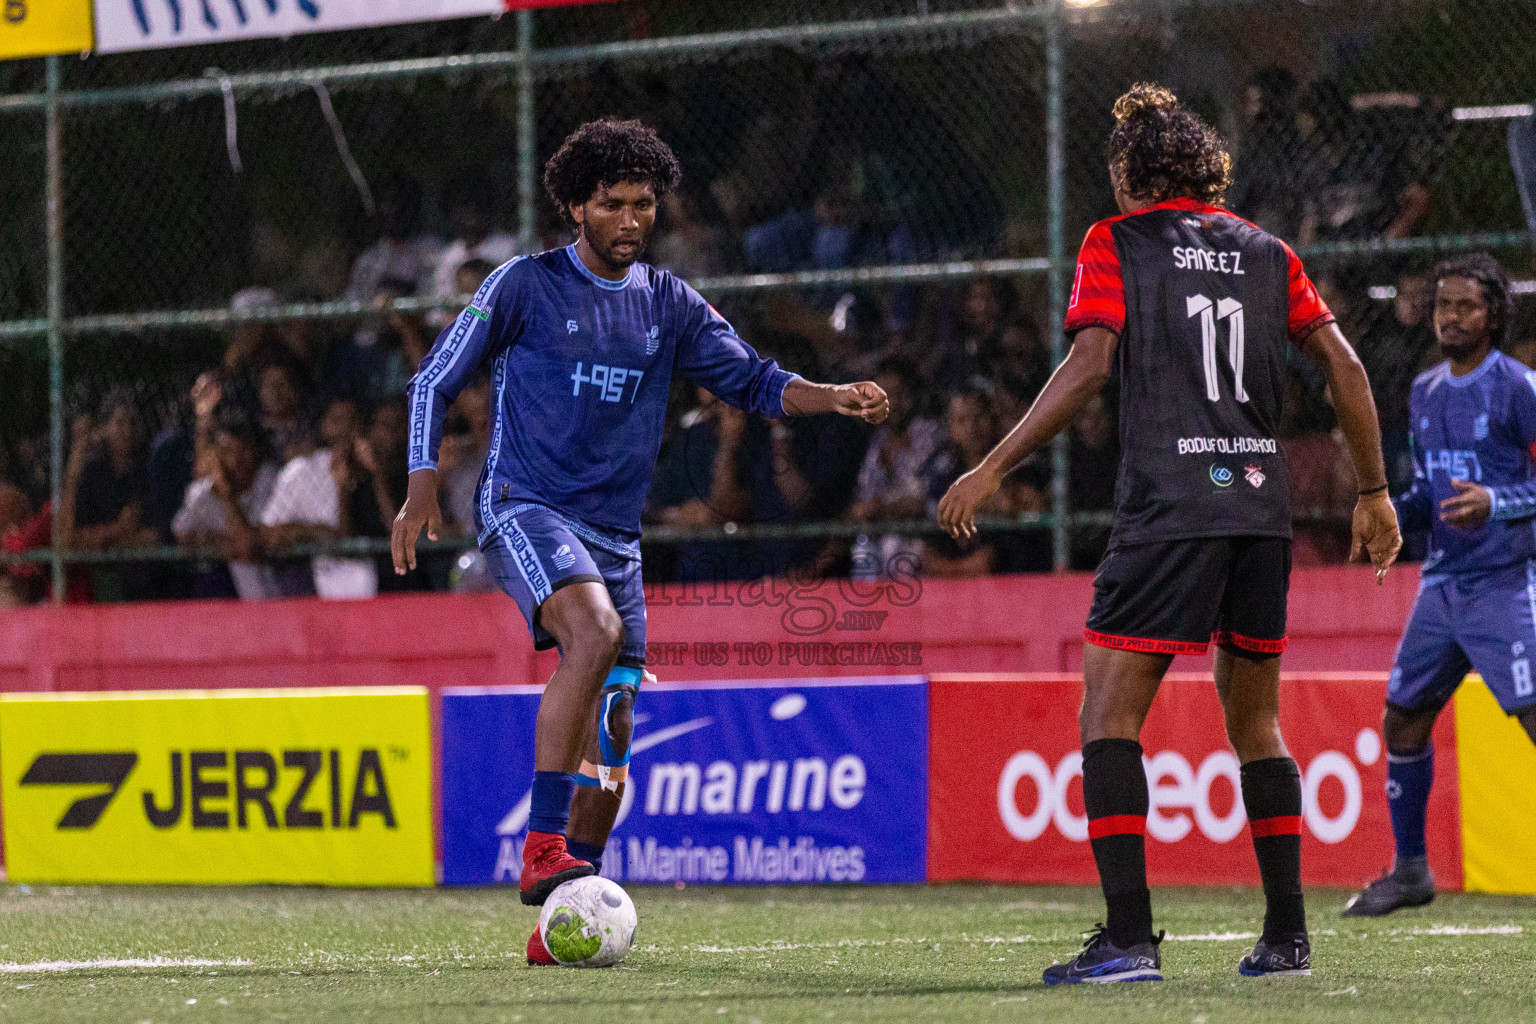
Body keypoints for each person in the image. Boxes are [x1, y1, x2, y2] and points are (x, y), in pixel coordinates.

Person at [392, 118, 888, 965]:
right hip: (526, 505)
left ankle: (565, 916)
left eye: (644, 204)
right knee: (594, 634)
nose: (630, 219)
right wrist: (421, 484)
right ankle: (540, 842)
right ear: (576, 205)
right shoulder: (523, 284)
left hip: (617, 538)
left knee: (616, 744)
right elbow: (435, 375)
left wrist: (829, 394)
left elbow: (756, 381)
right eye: (613, 204)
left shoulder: (668, 303)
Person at [937, 84, 1401, 983]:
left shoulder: (1117, 242)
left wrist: (993, 466)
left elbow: (1089, 363)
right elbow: (1344, 363)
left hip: (1171, 506)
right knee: (1256, 721)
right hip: (1259, 511)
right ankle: (1286, 938)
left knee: (1108, 715)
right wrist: (1374, 491)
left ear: (1126, 173)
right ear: (1205, 169)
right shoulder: (1270, 254)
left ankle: (1127, 940)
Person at [1343, 254, 1536, 916]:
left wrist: (1498, 503)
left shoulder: (1519, 388)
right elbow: (1430, 487)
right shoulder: (1424, 391)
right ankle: (1412, 871)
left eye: (1465, 305)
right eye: (1442, 305)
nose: (1450, 316)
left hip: (1507, 579)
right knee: (1403, 718)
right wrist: (1390, 513)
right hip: (1444, 584)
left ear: (1495, 314)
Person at [259, 397, 388, 600]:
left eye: (352, 421)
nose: (346, 428)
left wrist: (373, 474)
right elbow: (269, 532)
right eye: (337, 420)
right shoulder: (301, 470)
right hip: (310, 580)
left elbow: (345, 535)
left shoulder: (373, 472)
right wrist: (313, 532)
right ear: (323, 426)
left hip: (373, 580)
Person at [172, 408, 281, 601]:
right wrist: (225, 543)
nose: (237, 460)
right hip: (229, 596)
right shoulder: (204, 491)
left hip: (277, 595)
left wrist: (228, 498)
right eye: (228, 451)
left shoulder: (270, 478)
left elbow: (248, 545)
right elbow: (182, 536)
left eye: (244, 451)